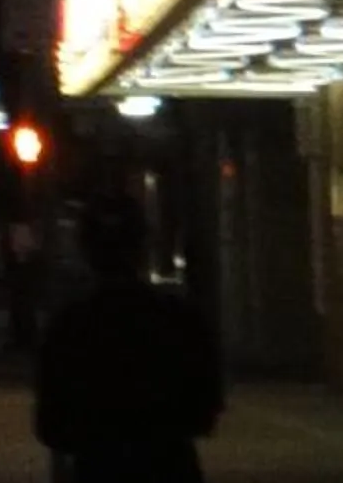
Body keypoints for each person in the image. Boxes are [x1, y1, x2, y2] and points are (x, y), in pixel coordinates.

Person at [34, 191, 222, 483]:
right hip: (169, 466)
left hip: (97, 468)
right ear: (142, 247)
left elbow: (51, 425)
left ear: (86, 250)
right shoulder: (179, 319)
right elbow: (205, 412)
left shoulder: (70, 326)